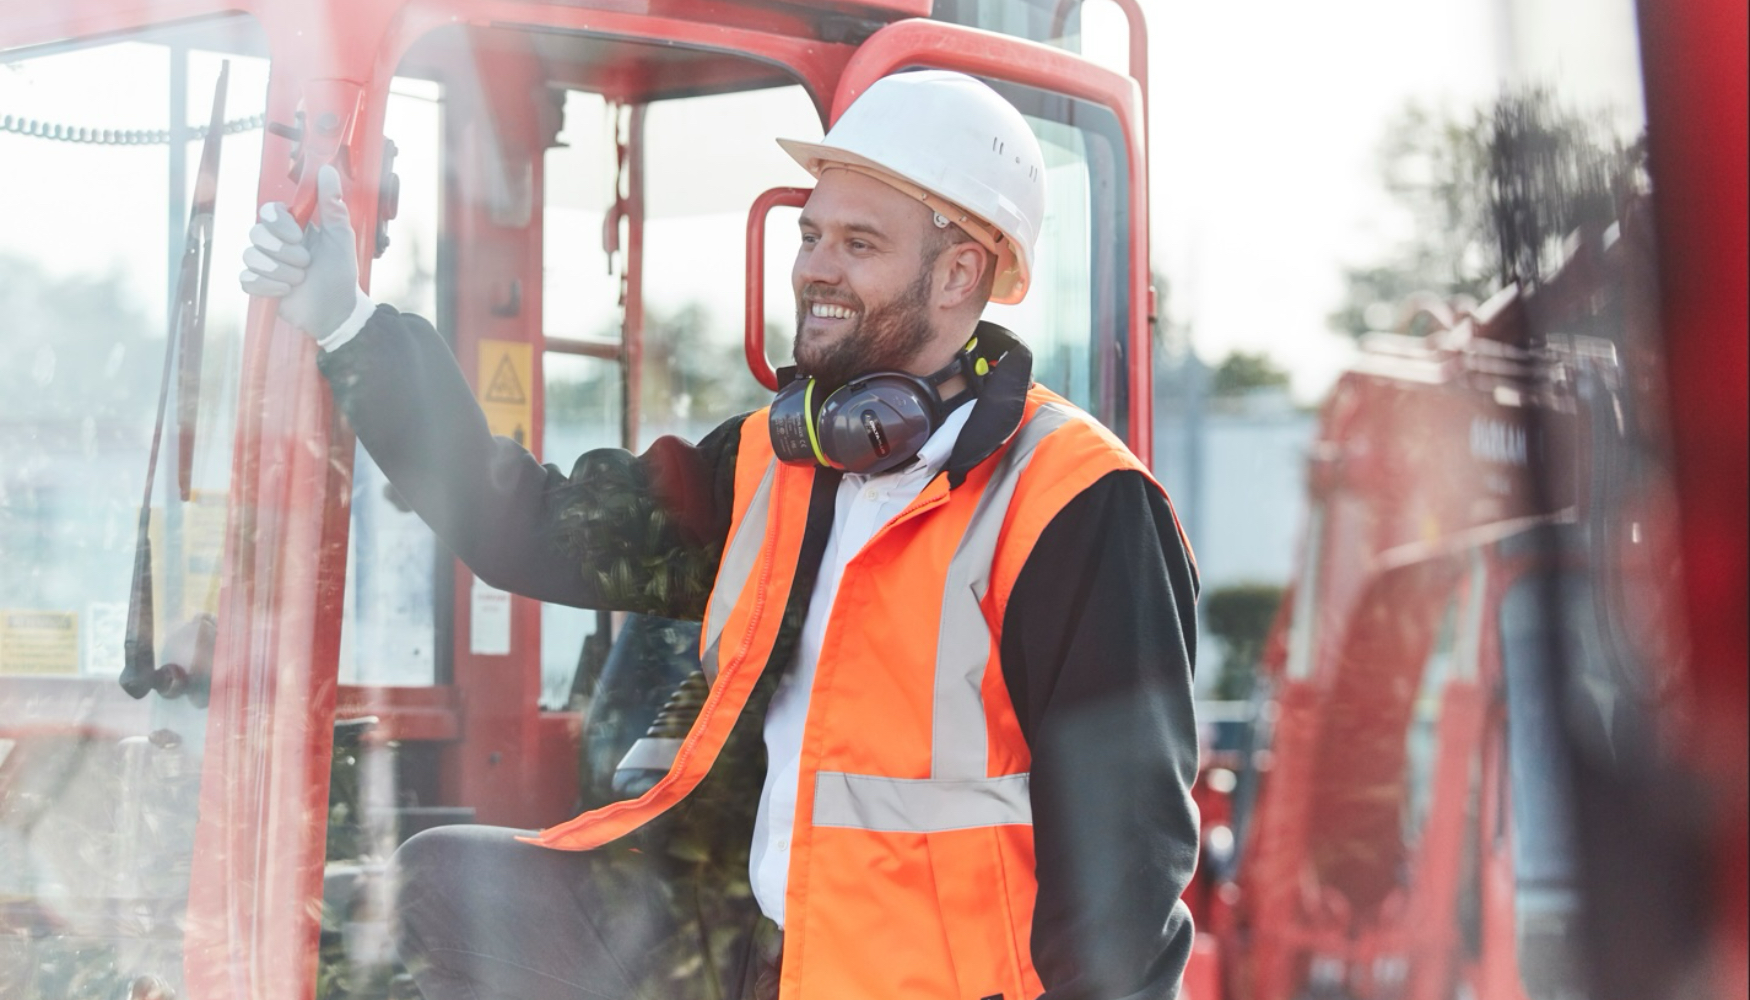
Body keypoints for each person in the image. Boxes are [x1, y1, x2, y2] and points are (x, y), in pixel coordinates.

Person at [241, 69, 1200, 1000]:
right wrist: (350, 329)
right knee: (445, 887)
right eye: (811, 234)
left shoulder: (1082, 506)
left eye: (859, 244)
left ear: (959, 274)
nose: (816, 267)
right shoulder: (772, 462)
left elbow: (1124, 888)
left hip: (904, 979)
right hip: (736, 951)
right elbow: (521, 523)